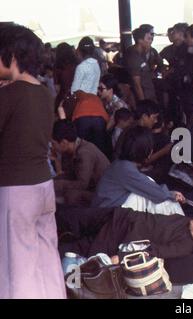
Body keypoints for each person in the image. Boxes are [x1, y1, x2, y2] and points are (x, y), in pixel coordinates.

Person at [0, 24, 66, 299]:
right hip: (42, 185)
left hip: (15, 190)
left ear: (11, 55)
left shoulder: (8, 95)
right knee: (46, 257)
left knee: (17, 266)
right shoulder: (44, 93)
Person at [57, 204, 193, 260]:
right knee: (66, 215)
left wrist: (121, 256)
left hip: (115, 237)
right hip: (118, 215)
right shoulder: (185, 221)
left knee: (66, 250)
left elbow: (153, 251)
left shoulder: (184, 245)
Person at [92, 126, 186, 216]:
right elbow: (155, 193)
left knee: (148, 190)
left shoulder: (121, 165)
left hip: (106, 211)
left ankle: (178, 222)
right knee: (144, 195)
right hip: (105, 216)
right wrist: (171, 195)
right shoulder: (125, 169)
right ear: (146, 150)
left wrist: (169, 194)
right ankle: (179, 223)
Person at [52, 120, 111, 207]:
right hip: (92, 188)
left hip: (103, 195)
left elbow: (82, 184)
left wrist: (56, 184)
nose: (52, 147)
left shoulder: (84, 153)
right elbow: (71, 174)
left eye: (54, 144)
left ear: (64, 143)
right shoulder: (71, 150)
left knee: (71, 195)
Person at [125, 26, 157, 102]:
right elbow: (137, 85)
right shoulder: (134, 58)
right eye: (148, 39)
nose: (151, 41)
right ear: (140, 40)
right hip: (145, 97)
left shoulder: (142, 54)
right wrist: (143, 103)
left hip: (150, 93)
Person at [54, 42, 78, 108]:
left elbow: (57, 88)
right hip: (79, 97)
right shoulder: (77, 63)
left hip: (64, 98)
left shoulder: (58, 66)